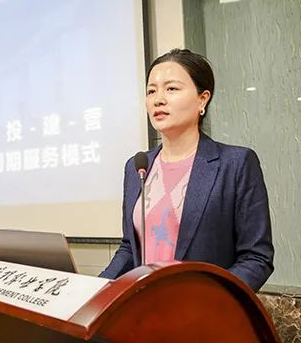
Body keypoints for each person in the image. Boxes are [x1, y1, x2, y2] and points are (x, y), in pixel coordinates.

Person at [100, 48, 274, 292]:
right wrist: (96, 290)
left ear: (202, 99)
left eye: (171, 89)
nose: (158, 99)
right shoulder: (137, 167)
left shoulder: (236, 163)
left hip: (203, 309)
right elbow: (130, 248)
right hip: (144, 308)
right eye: (151, 91)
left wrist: (207, 301)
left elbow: (257, 258)